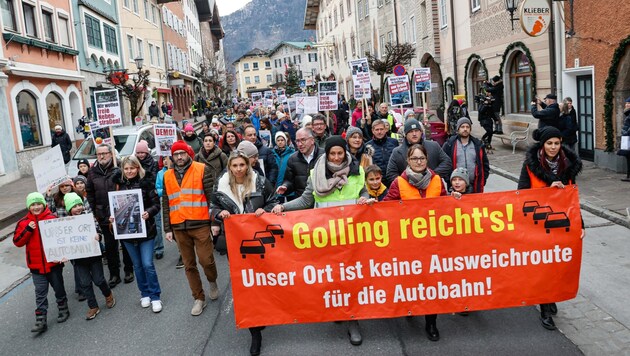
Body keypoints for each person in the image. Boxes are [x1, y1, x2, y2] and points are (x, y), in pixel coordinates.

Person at [272, 136, 374, 346]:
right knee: (333, 278)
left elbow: (363, 191)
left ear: (345, 152)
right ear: (326, 154)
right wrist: (283, 207)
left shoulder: (358, 171)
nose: (336, 158)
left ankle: (352, 320)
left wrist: (365, 197)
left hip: (351, 236)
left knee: (351, 279)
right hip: (325, 237)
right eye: (332, 154)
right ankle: (338, 308)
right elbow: (306, 201)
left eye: (340, 153)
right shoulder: (315, 174)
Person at [211, 151, 277, 356]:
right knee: (245, 284)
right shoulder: (221, 185)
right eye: (235, 166)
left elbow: (274, 201)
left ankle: (264, 313)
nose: (239, 169)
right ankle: (255, 331)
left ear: (248, 166)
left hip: (259, 243)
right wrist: (218, 214)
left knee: (262, 281)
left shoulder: (261, 182)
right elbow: (212, 206)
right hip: (235, 243)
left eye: (242, 165)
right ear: (230, 167)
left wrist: (265, 209)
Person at [517, 126, 584, 330]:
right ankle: (545, 309)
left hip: (561, 223)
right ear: (542, 145)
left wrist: (580, 224)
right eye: (549, 143)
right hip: (538, 224)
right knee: (544, 266)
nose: (553, 147)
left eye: (556, 143)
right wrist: (548, 191)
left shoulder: (569, 165)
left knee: (557, 265)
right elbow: (521, 194)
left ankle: (551, 297)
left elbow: (573, 199)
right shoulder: (530, 165)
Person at [382, 144, 444, 341]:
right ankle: (411, 307)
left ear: (427, 160)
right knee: (412, 281)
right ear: (408, 161)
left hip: (432, 243)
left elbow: (446, 207)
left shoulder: (437, 181)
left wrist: (456, 199)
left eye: (422, 158)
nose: (418, 162)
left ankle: (431, 322)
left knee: (432, 283)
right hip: (408, 245)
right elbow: (385, 208)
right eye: (414, 158)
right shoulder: (399, 183)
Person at [162, 141, 219, 316]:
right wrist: (167, 228)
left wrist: (214, 222)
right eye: (176, 154)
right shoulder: (167, 176)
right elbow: (166, 202)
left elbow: (212, 197)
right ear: (172, 157)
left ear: (188, 154)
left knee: (206, 260)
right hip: (179, 226)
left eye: (182, 153)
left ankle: (212, 280)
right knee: (189, 265)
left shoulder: (202, 169)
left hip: (200, 223)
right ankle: (199, 298)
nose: (179, 157)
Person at [112, 156, 163, 313]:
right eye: (126, 169)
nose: (129, 171)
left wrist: (148, 212)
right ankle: (145, 293)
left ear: (137, 168)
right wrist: (112, 216)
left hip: (146, 231)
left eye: (132, 168)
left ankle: (155, 296)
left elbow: (156, 205)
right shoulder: (117, 185)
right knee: (137, 266)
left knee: (148, 264)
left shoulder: (146, 182)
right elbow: (113, 206)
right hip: (127, 233)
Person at [13, 192, 69, 333]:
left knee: (59, 288)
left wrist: (64, 255)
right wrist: (28, 230)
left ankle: (63, 308)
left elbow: (63, 239)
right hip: (36, 267)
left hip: (53, 264)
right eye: (33, 204)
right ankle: (41, 319)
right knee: (40, 293)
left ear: (43, 205)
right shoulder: (23, 223)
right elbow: (17, 242)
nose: (36, 207)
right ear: (28, 207)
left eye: (39, 204)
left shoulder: (52, 218)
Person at [86, 144, 134, 287]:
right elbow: (90, 194)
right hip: (104, 215)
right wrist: (94, 213)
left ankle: (128, 270)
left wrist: (120, 179)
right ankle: (114, 274)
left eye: (105, 153)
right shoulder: (92, 173)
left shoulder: (119, 168)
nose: (102, 156)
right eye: (99, 154)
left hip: (121, 213)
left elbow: (129, 186)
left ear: (110, 154)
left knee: (126, 245)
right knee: (110, 247)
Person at [64, 193, 115, 320]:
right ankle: (93, 306)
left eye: (79, 205)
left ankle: (108, 294)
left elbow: (98, 231)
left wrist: (98, 236)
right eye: (74, 206)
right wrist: (63, 254)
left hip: (93, 255)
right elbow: (63, 241)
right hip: (78, 259)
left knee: (99, 279)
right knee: (85, 283)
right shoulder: (64, 224)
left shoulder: (89, 218)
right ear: (69, 209)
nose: (78, 208)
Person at [385, 118, 452, 186]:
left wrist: (431, 176)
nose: (414, 134)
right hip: (409, 192)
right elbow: (391, 174)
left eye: (416, 131)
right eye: (411, 131)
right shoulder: (397, 152)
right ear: (405, 134)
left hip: (432, 188)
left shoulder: (433, 146)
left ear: (421, 132)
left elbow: (447, 163)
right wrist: (406, 184)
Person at [441, 117, 490, 193]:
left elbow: (485, 164)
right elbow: (443, 163)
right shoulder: (449, 144)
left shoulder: (478, 144)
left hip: (475, 185)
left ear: (470, 129)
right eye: (462, 127)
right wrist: (449, 180)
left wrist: (483, 180)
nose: (465, 129)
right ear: (458, 129)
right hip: (456, 187)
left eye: (467, 127)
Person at [277, 128, 323, 199]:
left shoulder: (323, 155)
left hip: (321, 200)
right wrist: (285, 186)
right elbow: (289, 180)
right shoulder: (292, 159)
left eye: (303, 140)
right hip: (301, 202)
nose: (300, 144)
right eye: (297, 141)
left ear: (312, 140)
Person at [134, 140, 162, 259]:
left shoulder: (153, 163)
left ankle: (159, 247)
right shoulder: (134, 164)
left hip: (152, 195)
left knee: (157, 222)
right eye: (138, 152)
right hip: (139, 197)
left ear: (147, 152)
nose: (140, 155)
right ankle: (147, 247)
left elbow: (157, 178)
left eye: (142, 152)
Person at [617, 97, 630, 182]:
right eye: (626, 103)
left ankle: (628, 176)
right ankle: (628, 175)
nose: (627, 105)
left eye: (628, 104)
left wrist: (625, 132)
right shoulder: (627, 113)